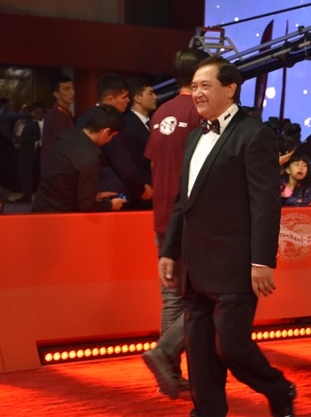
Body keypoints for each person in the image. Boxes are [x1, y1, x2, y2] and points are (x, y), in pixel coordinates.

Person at [158, 57, 295, 417]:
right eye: (194, 86)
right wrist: (169, 251)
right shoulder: (193, 137)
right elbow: (183, 202)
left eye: (205, 85)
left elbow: (265, 203)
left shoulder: (254, 134)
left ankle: (278, 388)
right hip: (194, 266)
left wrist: (262, 261)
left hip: (235, 265)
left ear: (230, 88)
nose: (197, 93)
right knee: (200, 354)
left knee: (231, 348)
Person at [141, 47, 209, 399]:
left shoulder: (160, 112)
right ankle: (167, 356)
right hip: (191, 218)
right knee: (206, 300)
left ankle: (170, 372)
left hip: (162, 217)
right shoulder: (201, 112)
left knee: (172, 298)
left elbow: (155, 165)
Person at [76, 73, 152, 209]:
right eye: (124, 97)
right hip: (113, 193)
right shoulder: (111, 121)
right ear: (110, 99)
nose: (128, 100)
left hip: (89, 190)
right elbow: (123, 164)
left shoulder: (83, 117)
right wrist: (142, 190)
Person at [32, 105, 126, 213]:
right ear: (105, 132)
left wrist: (93, 194)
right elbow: (87, 206)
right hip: (61, 215)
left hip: (40, 207)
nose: (110, 140)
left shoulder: (67, 134)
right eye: (112, 136)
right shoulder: (89, 158)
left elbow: (64, 180)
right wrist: (110, 205)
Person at [124, 78, 157, 207]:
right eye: (150, 93)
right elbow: (130, 162)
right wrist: (141, 186)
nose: (155, 97)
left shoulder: (154, 121)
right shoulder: (128, 124)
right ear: (137, 98)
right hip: (140, 193)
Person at [41, 74, 76, 174]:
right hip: (57, 172)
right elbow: (63, 148)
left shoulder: (64, 114)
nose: (72, 92)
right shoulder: (56, 116)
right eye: (67, 89)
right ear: (56, 94)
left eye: (73, 88)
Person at [15, 102, 45, 203]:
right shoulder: (19, 122)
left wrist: (24, 139)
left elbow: (37, 136)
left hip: (28, 151)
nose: (22, 112)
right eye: (21, 110)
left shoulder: (32, 123)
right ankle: (24, 192)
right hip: (18, 149)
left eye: (24, 110)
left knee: (26, 173)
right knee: (21, 172)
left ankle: (27, 194)